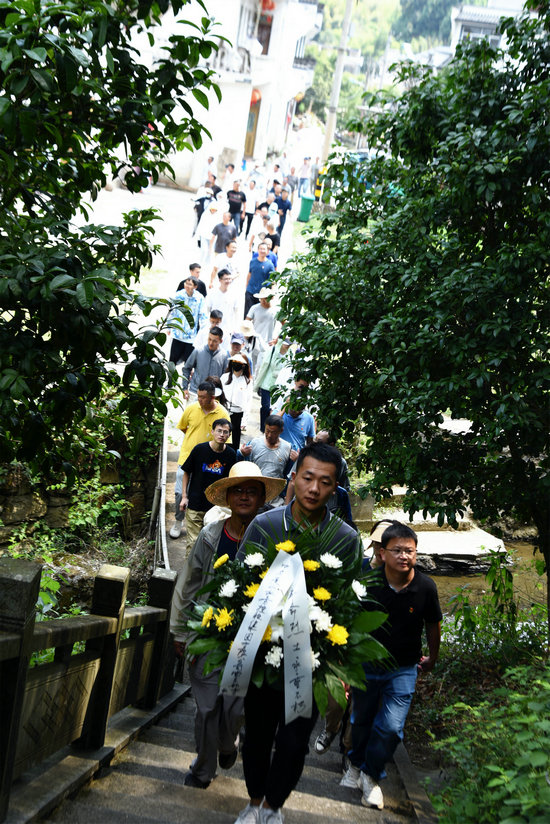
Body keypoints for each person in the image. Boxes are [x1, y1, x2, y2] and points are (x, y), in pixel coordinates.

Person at [232, 442, 362, 824]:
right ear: (294, 477)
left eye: (325, 482)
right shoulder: (265, 525)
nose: (314, 489)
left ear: (335, 488)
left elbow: (351, 604)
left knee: (293, 743)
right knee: (256, 737)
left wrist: (341, 666)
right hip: (263, 656)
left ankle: (273, 807)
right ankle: (254, 801)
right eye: (307, 478)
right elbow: (236, 584)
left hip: (311, 662)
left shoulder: (346, 539)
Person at [170, 463, 286, 790]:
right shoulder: (211, 535)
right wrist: (180, 630)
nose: (245, 496)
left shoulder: (275, 538)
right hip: (209, 632)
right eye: (238, 490)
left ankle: (227, 743)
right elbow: (189, 583)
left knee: (235, 709)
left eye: (252, 491)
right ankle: (202, 770)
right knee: (206, 708)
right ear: (228, 497)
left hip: (253, 639)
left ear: (262, 497)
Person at [341, 522, 442, 811]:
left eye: (409, 551)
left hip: (403, 667)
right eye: (397, 550)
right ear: (382, 553)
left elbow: (433, 624)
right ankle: (355, 765)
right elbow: (350, 626)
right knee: (361, 721)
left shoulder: (425, 587)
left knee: (391, 727)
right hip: (367, 664)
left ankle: (371, 776)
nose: (403, 556)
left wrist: (432, 657)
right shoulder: (367, 584)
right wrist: (345, 668)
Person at [171, 382, 230, 539]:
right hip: (187, 455)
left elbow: (226, 438)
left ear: (212, 397)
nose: (199, 400)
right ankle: (178, 520)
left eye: (203, 397)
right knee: (180, 492)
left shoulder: (222, 413)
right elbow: (183, 427)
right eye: (198, 396)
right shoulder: (191, 408)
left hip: (208, 462)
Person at [178, 419, 237, 553]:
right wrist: (184, 496)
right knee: (193, 544)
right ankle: (191, 567)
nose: (222, 434)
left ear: (229, 435)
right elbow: (186, 472)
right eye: (219, 431)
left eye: (225, 432)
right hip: (196, 504)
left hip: (217, 508)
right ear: (212, 432)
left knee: (211, 545)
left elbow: (232, 481)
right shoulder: (200, 449)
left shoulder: (231, 455)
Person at [240, 414, 296, 505]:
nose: (269, 435)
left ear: (281, 431)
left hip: (275, 498)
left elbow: (290, 475)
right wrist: (242, 454)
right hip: (254, 493)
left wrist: (296, 461)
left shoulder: (288, 448)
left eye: (273, 432)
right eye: (267, 431)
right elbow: (242, 467)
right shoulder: (254, 443)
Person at [168, 275, 208, 367]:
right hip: (177, 334)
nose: (187, 286)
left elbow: (203, 315)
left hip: (191, 336)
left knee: (189, 363)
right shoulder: (178, 295)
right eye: (186, 283)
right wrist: (169, 327)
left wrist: (203, 331)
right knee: (172, 361)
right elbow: (172, 312)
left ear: (195, 286)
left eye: (190, 284)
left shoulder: (199, 298)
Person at [182, 327, 229, 402]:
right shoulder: (198, 351)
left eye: (214, 341)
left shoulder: (224, 356)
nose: (211, 343)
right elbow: (186, 368)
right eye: (209, 339)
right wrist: (184, 388)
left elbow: (225, 377)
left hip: (213, 396)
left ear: (221, 341)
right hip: (195, 393)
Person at [221, 354, 253, 450]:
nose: (236, 365)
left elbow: (248, 402)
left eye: (239, 363)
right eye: (234, 362)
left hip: (237, 414)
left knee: (233, 441)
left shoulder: (247, 381)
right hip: (224, 411)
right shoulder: (225, 377)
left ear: (243, 365)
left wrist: (244, 421)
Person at [206, 269, 240, 338]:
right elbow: (207, 310)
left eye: (229, 279)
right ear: (220, 280)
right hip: (214, 329)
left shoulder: (234, 294)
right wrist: (208, 325)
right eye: (226, 279)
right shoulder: (212, 293)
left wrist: (235, 328)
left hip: (228, 330)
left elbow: (237, 313)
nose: (228, 281)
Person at [245, 242, 275, 318]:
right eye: (260, 249)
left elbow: (273, 280)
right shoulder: (252, 261)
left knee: (259, 316)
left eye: (264, 249)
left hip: (262, 295)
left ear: (267, 251)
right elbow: (249, 274)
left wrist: (272, 292)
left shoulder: (270, 265)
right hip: (250, 292)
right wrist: (246, 287)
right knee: (248, 314)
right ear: (258, 250)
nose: (262, 251)